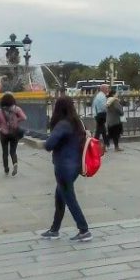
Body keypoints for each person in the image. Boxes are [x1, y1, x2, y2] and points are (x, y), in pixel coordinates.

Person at [40, 96, 92, 241]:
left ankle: (84, 230)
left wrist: (45, 143)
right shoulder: (78, 122)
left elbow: (50, 144)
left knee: (69, 198)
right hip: (76, 165)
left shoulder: (63, 124)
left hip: (64, 166)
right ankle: (54, 229)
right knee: (60, 197)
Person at [0, 93, 27, 175]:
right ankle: (15, 163)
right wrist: (16, 120)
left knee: (5, 152)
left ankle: (6, 168)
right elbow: (24, 117)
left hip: (4, 134)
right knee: (13, 151)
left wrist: (2, 124)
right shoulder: (16, 109)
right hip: (14, 132)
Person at [91, 84, 109, 148]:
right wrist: (108, 106)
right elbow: (103, 107)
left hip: (98, 114)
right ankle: (94, 143)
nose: (108, 90)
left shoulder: (99, 95)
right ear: (103, 89)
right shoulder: (102, 96)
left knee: (102, 129)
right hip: (100, 114)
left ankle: (106, 143)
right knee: (99, 130)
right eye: (107, 88)